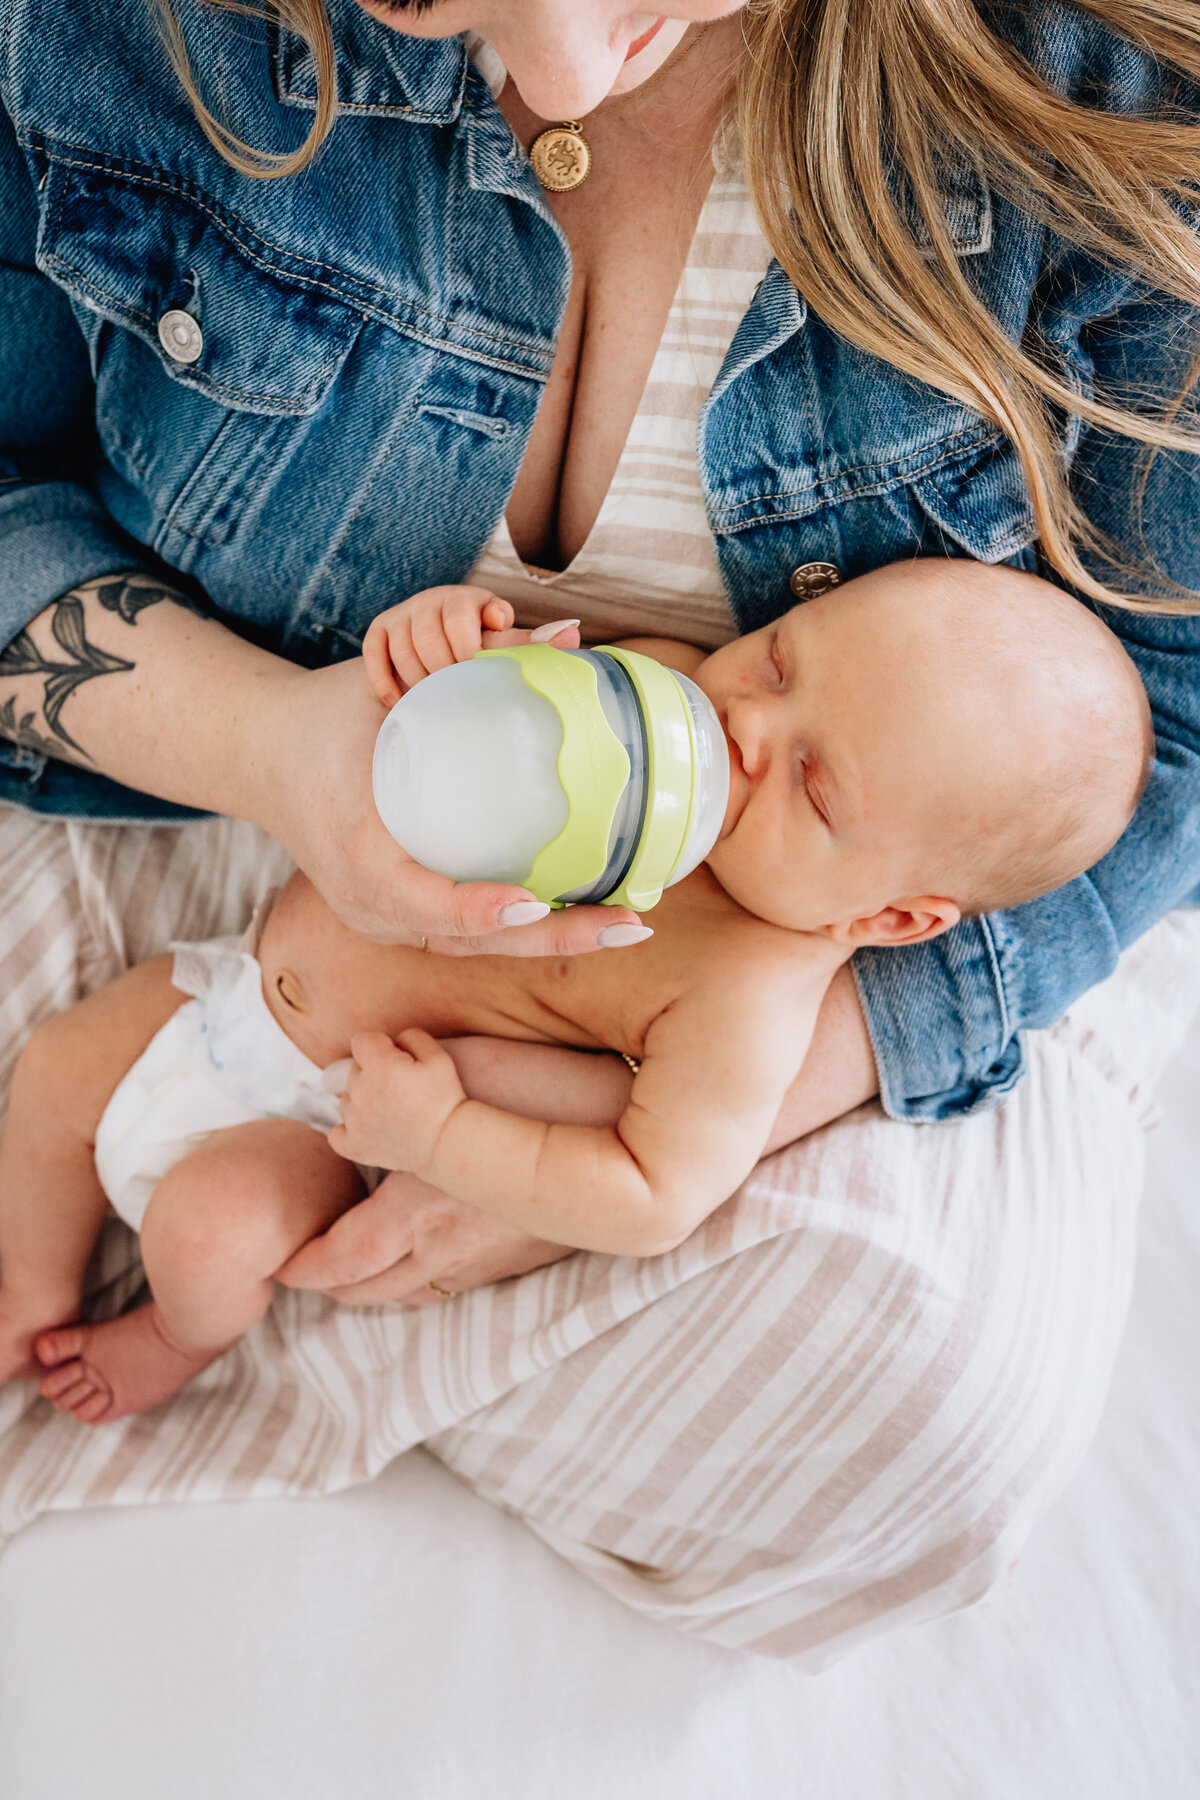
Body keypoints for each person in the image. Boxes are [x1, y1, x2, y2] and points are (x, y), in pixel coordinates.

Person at [0, 0, 1197, 1662]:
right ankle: (243, 1295)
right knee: (73, 1085)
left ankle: (235, 1299)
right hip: (217, 771)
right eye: (435, 4)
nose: (555, 82)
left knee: (921, 1396)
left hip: (692, 1027)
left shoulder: (1120, 112)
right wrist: (282, 745)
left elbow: (1171, 712)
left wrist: (516, 1167)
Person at [0, 563, 1152, 1420]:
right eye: (787, 659)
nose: (744, 723)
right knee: (55, 1070)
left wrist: (443, 1136)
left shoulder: (745, 993)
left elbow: (651, 1195)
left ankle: (168, 1339)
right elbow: (471, 707)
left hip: (311, 1119)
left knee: (208, 1232)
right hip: (230, 983)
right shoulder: (660, 688)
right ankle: (28, 1284)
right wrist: (437, 640)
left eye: (812, 780)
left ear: (886, 918)